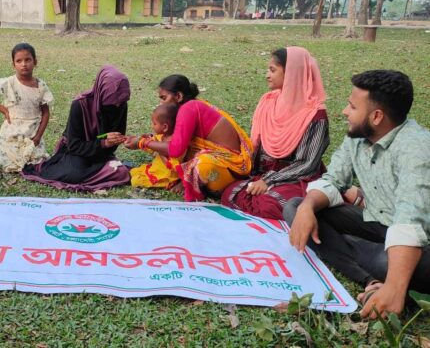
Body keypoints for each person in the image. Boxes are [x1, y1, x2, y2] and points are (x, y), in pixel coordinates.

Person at [286, 70, 430, 320]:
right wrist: (308, 208)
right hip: (376, 223)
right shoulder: (359, 137)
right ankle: (371, 279)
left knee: (390, 264)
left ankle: (386, 276)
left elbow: (411, 219)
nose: (344, 111)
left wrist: (395, 288)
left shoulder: (416, 148)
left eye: (352, 106)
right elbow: (333, 180)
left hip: (419, 242)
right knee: (296, 208)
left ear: (376, 116)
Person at [221, 47, 329, 219]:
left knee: (269, 205)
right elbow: (257, 146)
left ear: (293, 74)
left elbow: (307, 164)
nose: (267, 75)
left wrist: (269, 181)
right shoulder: (269, 101)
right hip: (264, 174)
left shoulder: (315, 115)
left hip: (296, 178)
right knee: (229, 192)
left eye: (272, 70)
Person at [126, 74, 253, 201]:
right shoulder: (189, 107)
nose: (160, 103)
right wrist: (151, 139)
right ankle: (187, 178)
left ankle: (191, 181)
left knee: (203, 164)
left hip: (230, 169)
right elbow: (173, 139)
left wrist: (142, 143)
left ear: (178, 96)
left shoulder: (189, 108)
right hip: (222, 164)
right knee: (166, 142)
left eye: (164, 98)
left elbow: (175, 150)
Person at [21, 66, 131, 191]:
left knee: (122, 172)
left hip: (100, 154)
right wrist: (104, 142)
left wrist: (121, 140)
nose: (117, 105)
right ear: (101, 91)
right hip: (74, 152)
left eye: (121, 102)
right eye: (112, 101)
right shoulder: (80, 105)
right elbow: (73, 145)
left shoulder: (121, 104)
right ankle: (101, 170)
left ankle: (101, 169)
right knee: (74, 174)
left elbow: (116, 138)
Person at [0, 43, 54, 172]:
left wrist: (38, 137)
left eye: (28, 60)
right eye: (19, 61)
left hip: (32, 132)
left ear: (35, 62)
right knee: (11, 162)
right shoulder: (9, 83)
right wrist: (4, 110)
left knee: (36, 161)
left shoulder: (41, 86)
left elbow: (46, 113)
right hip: (12, 132)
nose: (23, 64)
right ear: (13, 64)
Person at [127, 103, 182, 189]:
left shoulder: (176, 143)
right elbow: (152, 148)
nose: (152, 126)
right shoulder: (162, 136)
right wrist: (140, 139)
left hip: (166, 175)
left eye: (154, 123)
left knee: (136, 181)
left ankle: (172, 183)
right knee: (133, 172)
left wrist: (151, 145)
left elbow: (172, 166)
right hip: (156, 168)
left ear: (165, 127)